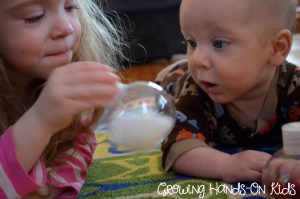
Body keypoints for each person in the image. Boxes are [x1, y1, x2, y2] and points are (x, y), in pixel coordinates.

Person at [158, 0, 300, 186]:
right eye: (192, 42)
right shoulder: (196, 91)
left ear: (277, 48)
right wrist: (225, 165)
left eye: (218, 43)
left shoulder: (293, 84)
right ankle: (170, 72)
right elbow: (176, 147)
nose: (198, 59)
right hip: (175, 81)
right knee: (162, 93)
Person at [0, 0, 127, 198]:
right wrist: (40, 120)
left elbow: (78, 146)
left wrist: (51, 186)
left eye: (70, 7)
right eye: (35, 16)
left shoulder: (72, 75)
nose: (66, 28)